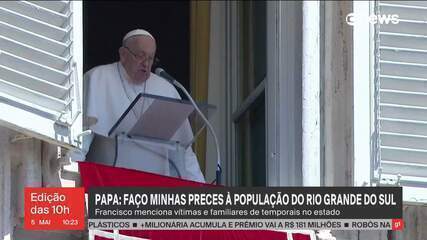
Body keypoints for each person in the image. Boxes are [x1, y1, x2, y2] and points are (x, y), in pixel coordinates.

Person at [80, 29, 205, 183]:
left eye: (151, 58)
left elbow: (182, 151)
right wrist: (70, 180)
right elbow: (81, 139)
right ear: (123, 54)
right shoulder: (98, 79)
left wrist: (200, 186)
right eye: (140, 56)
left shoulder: (166, 90)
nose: (146, 63)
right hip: (107, 184)